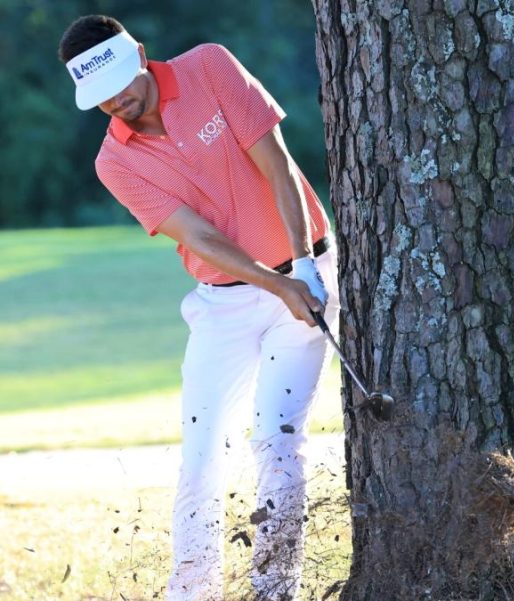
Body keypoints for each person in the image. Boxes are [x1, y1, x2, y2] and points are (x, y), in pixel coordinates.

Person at [59, 14, 339, 600]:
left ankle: (274, 588)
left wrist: (303, 268)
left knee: (277, 435)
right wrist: (277, 283)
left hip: (308, 270)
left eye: (120, 81)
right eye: (101, 95)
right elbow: (202, 238)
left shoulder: (210, 67)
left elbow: (277, 163)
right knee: (202, 450)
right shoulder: (115, 162)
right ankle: (192, 590)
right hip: (224, 306)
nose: (118, 100)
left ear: (138, 52)